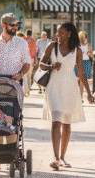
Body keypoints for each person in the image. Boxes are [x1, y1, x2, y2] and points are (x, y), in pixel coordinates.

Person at [39, 21, 91, 170]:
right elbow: (40, 64)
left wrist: (88, 92)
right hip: (54, 86)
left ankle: (62, 157)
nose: (58, 35)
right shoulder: (52, 46)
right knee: (56, 120)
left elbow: (81, 72)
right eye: (58, 32)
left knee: (66, 124)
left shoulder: (77, 51)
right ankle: (56, 158)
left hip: (70, 87)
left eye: (61, 33)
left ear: (69, 34)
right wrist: (51, 66)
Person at [0, 13, 32, 84]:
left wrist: (20, 74)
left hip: (15, 85)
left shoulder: (22, 43)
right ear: (3, 25)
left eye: (16, 25)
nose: (15, 27)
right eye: (12, 25)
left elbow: (27, 63)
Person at [22, 30, 38, 95]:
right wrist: (36, 60)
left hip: (24, 58)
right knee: (29, 75)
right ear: (31, 34)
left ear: (26, 33)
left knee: (24, 75)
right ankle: (28, 89)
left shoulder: (23, 39)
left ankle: (25, 90)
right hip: (31, 59)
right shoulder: (33, 41)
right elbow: (35, 51)